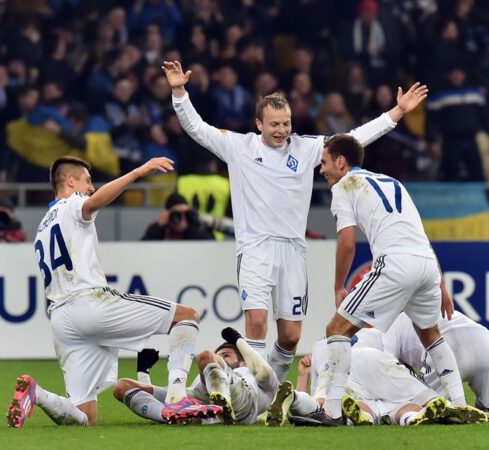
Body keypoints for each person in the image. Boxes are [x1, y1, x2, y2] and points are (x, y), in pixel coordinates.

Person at [162, 59, 428, 382]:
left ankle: (269, 390)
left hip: (293, 250)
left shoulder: (306, 148)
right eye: (274, 124)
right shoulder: (238, 146)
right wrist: (179, 92)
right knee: (257, 324)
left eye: (286, 123)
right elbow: (197, 128)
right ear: (258, 123)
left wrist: (396, 113)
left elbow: (355, 139)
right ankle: (255, 394)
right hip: (256, 248)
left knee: (289, 336)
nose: (281, 130)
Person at [7, 156, 219, 428]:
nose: (91, 187)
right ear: (70, 182)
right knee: (186, 316)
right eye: (87, 180)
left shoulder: (42, 227)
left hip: (61, 320)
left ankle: (38, 394)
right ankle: (178, 397)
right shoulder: (71, 204)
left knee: (85, 416)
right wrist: (137, 172)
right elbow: (93, 203)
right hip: (89, 302)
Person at [314, 134, 467, 425]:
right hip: (425, 264)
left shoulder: (345, 186)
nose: (321, 170)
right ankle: (460, 404)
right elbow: (420, 236)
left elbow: (347, 243)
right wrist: (441, 282)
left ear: (340, 161)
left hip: (395, 263)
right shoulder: (392, 182)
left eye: (324, 163)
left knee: (336, 329)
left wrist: (338, 285)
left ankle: (331, 411)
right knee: (430, 334)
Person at [376, 311, 489, 422]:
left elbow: (390, 368)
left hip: (447, 349)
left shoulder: (389, 328)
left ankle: (475, 417)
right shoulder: (426, 305)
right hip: (486, 343)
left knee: (424, 410)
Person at [266, 341, 487, 428]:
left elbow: (319, 399)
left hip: (339, 365)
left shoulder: (324, 341)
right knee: (405, 403)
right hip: (375, 362)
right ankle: (434, 409)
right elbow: (410, 361)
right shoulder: (386, 328)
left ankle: (294, 397)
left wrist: (302, 377)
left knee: (333, 409)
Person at [113, 327, 280, 425]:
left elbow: (263, 371)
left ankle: (223, 398)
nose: (221, 358)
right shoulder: (208, 371)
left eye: (226, 356)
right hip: (199, 400)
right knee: (121, 387)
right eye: (219, 356)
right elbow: (149, 404)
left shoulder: (253, 377)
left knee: (204, 356)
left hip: (240, 399)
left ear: (243, 362)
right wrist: (143, 372)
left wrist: (237, 340)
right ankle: (167, 415)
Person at [141, 192, 216, 240]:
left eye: (184, 214)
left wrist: (188, 229)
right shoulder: (158, 230)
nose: (180, 218)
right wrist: (158, 227)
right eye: (176, 214)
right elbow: (143, 249)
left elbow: (209, 245)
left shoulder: (197, 228)